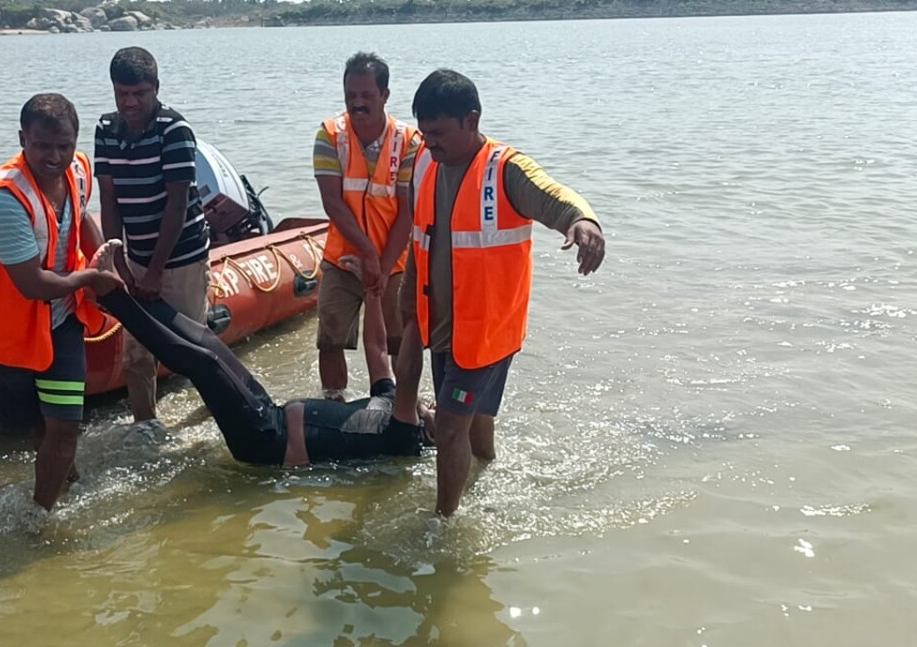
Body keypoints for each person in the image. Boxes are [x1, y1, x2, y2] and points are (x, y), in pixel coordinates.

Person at [400, 70, 607, 516]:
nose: (430, 144)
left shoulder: (504, 169)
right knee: (476, 427)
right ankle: (487, 476)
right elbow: (420, 240)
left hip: (486, 332)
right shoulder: (424, 163)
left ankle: (443, 523)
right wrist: (407, 312)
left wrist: (583, 221)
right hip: (443, 330)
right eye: (424, 133)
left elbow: (553, 196)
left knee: (451, 428)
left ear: (471, 120)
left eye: (439, 133)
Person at [90, 241, 434, 466]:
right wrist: (372, 292)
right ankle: (129, 289)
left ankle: (110, 298)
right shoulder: (389, 401)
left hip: (268, 442)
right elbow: (376, 349)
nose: (434, 406)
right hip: (269, 413)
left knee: (204, 364)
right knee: (209, 342)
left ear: (434, 433)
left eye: (438, 414)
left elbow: (408, 373)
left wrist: (415, 317)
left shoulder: (405, 434)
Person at [0, 93, 123, 511]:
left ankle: (41, 516)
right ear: (22, 139)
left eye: (64, 146)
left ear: (75, 141)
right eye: (42, 146)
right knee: (32, 423)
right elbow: (32, 284)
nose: (55, 156)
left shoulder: (79, 170)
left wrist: (105, 261)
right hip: (7, 332)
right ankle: (63, 479)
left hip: (63, 321)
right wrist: (91, 278)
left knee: (66, 426)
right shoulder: (2, 199)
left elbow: (84, 215)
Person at [95, 46, 211, 426]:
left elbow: (176, 205)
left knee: (194, 344)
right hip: (136, 253)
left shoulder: (174, 130)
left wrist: (156, 271)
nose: (130, 103)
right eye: (122, 94)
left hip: (181, 256)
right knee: (136, 354)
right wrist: (118, 261)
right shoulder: (106, 130)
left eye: (139, 94)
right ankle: (145, 424)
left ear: (155, 88)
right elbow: (109, 200)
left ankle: (215, 410)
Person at [313, 52, 422, 400]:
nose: (357, 104)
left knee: (398, 338)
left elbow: (408, 211)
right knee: (330, 338)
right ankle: (333, 400)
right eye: (351, 96)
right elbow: (332, 202)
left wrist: (383, 266)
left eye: (366, 96)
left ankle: (404, 403)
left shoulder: (410, 140)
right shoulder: (330, 134)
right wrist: (366, 253)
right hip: (342, 258)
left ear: (385, 95)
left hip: (395, 261)